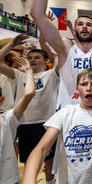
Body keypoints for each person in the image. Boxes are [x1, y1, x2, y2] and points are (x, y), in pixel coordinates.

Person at [23, 68, 92, 184]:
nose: (88, 88)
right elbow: (42, 149)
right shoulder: (65, 113)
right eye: (83, 84)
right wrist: (29, 179)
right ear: (77, 88)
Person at [0, 34, 59, 183]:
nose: (32, 60)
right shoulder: (19, 75)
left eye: (37, 57)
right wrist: (11, 44)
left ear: (46, 61)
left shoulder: (51, 74)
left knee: (48, 162)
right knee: (28, 163)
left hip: (46, 124)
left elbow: (59, 58)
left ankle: (50, 181)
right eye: (30, 57)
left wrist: (44, 37)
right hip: (24, 124)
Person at [0, 56, 35, 184]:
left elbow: (29, 94)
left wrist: (29, 71)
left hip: (8, 179)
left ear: (1, 100)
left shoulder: (7, 119)